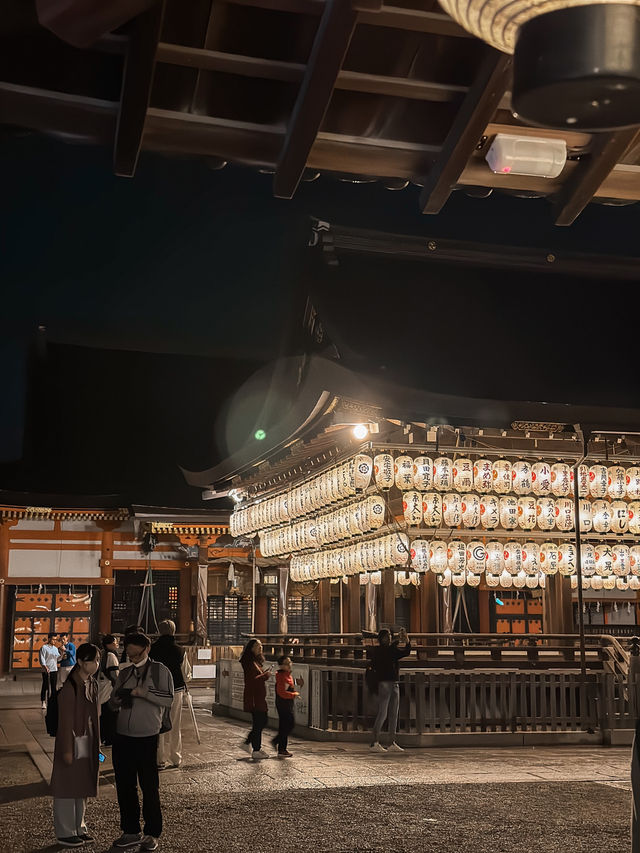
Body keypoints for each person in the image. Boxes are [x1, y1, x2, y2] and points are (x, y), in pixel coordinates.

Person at [109, 632, 174, 851]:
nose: (131, 656)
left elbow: (168, 699)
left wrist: (143, 693)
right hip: (122, 736)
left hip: (146, 736)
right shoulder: (125, 672)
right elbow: (112, 702)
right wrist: (117, 699)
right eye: (128, 652)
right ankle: (129, 830)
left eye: (135, 653)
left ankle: (152, 832)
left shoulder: (159, 670)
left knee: (149, 786)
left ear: (146, 649)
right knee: (125, 786)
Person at [50, 642, 101, 848]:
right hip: (72, 741)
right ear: (80, 661)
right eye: (92, 661)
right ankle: (65, 830)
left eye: (98, 660)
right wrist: (67, 748)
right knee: (66, 787)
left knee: (81, 786)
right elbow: (65, 722)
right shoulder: (70, 688)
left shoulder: (91, 683)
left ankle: (79, 826)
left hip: (88, 742)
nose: (96, 664)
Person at [367, 627, 411, 753]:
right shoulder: (382, 650)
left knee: (393, 714)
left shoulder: (388, 650)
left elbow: (403, 652)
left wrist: (406, 641)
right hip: (385, 683)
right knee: (383, 713)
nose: (389, 638)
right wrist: (401, 639)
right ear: (382, 639)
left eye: (390, 637)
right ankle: (374, 742)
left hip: (394, 683)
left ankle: (391, 742)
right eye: (387, 637)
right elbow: (397, 652)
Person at [150, 620, 186, 770]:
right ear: (174, 631)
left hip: (157, 689)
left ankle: (159, 759)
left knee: (158, 723)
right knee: (175, 723)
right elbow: (186, 672)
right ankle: (175, 757)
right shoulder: (180, 650)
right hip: (176, 689)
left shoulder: (152, 649)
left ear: (159, 631)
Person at [239, 638, 271, 760]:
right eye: (258, 646)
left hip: (259, 696)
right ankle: (254, 748)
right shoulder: (248, 662)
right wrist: (265, 675)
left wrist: (264, 674)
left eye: (261, 646)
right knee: (260, 721)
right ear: (251, 648)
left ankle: (253, 746)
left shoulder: (255, 662)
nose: (260, 648)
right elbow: (252, 680)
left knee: (261, 722)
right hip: (254, 697)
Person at [271, 655, 298, 758]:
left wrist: (293, 692)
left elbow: (289, 687)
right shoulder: (282, 676)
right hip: (283, 703)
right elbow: (281, 692)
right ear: (281, 666)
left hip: (287, 703)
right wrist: (293, 695)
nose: (289, 665)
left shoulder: (288, 675)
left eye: (290, 662)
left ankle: (282, 749)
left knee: (284, 726)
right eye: (287, 663)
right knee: (289, 724)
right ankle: (277, 742)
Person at [98, 635, 120, 746]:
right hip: (109, 687)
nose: (117, 644)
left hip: (101, 687)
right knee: (110, 715)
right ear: (109, 644)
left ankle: (103, 737)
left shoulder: (102, 653)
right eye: (115, 642)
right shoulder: (111, 655)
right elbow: (114, 674)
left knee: (103, 714)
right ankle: (109, 738)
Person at [40, 634, 61, 710]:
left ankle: (53, 702)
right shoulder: (44, 648)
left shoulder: (55, 649)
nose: (54, 641)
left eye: (55, 639)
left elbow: (58, 659)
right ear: (49, 639)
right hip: (46, 670)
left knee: (53, 686)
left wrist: (62, 655)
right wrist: (45, 667)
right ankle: (43, 701)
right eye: (53, 639)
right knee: (45, 686)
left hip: (54, 669)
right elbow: (42, 658)